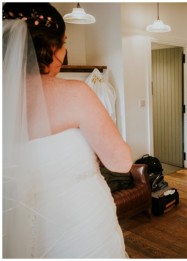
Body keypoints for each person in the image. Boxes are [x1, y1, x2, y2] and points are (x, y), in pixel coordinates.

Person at [2, 3, 132, 257]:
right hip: (81, 222)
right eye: (63, 42)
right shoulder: (75, 94)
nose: (64, 50)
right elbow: (122, 162)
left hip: (19, 229)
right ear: (50, 48)